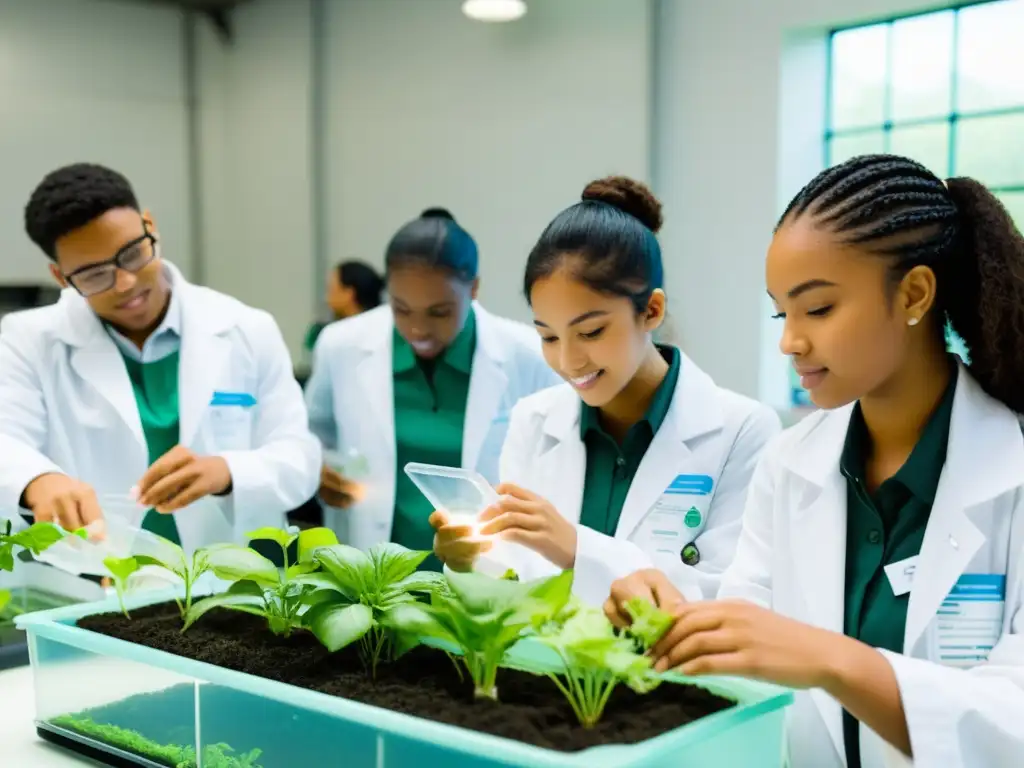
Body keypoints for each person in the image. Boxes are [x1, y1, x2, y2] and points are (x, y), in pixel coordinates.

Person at [603, 155, 1024, 768]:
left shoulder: (1011, 471)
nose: (789, 341)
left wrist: (835, 660)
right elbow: (755, 633)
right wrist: (678, 616)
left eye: (818, 309)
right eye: (782, 312)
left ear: (914, 294)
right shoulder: (790, 463)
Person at [431, 177, 781, 605]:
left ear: (651, 310)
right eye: (549, 337)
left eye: (591, 331)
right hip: (543, 667)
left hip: (670, 671)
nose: (568, 361)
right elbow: (516, 572)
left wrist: (577, 549)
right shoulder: (533, 420)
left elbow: (727, 596)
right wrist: (471, 557)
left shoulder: (744, 430)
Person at [0, 163, 321, 552]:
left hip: (229, 579)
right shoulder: (27, 340)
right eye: (93, 275)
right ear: (60, 276)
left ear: (149, 225)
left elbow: (299, 457)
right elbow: (7, 441)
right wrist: (38, 479)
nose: (125, 283)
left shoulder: (246, 328)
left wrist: (228, 471)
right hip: (96, 581)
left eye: (132, 254)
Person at [304, 207, 557, 564]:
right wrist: (317, 469)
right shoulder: (340, 345)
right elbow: (311, 435)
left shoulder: (528, 354)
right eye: (401, 309)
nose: (418, 329)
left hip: (490, 568)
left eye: (439, 312)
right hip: (374, 565)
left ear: (474, 289)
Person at [303, 260, 385, 352]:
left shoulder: (331, 337)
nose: (326, 299)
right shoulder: (319, 332)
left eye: (330, 289)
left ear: (349, 294)